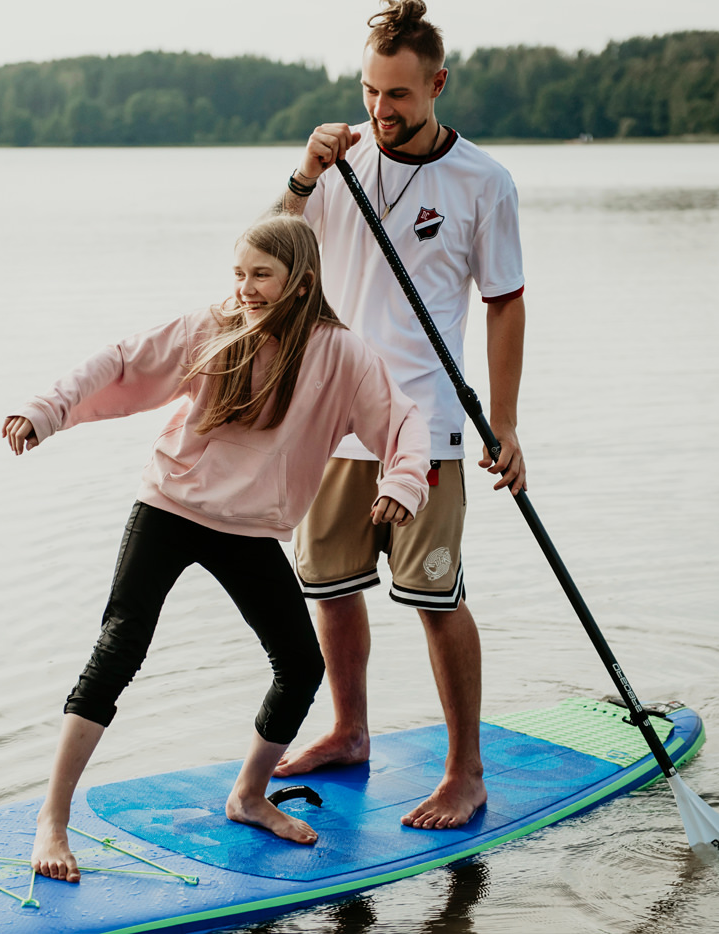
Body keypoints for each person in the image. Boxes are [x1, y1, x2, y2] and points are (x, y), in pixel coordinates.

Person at [3, 215, 431, 883]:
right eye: (239, 273)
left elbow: (402, 419)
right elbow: (122, 361)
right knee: (119, 648)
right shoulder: (214, 324)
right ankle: (51, 821)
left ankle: (248, 796)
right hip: (169, 505)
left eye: (261, 275)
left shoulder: (341, 354)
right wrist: (47, 410)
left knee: (300, 664)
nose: (247, 288)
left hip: (250, 528)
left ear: (301, 282)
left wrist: (403, 483)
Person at [271, 0, 529, 831]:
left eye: (400, 97)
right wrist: (303, 176)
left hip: (427, 427)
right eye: (371, 93)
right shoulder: (338, 161)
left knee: (434, 595)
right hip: (331, 417)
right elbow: (269, 251)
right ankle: (348, 732)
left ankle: (467, 772)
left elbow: (506, 305)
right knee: (331, 587)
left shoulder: (483, 182)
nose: (381, 112)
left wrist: (508, 423)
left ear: (437, 85)